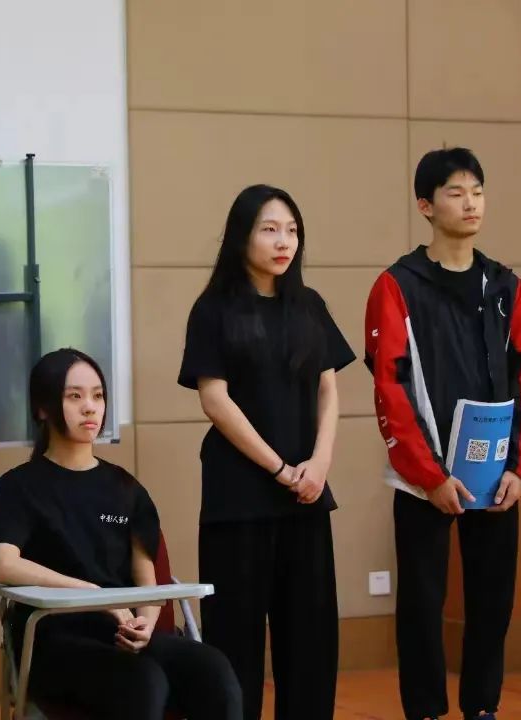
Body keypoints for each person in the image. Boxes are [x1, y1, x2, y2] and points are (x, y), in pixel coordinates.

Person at [364, 147, 521, 720]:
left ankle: (482, 707)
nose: (471, 203)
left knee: (492, 601)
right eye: (455, 192)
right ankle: (425, 709)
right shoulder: (397, 286)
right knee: (422, 603)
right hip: (425, 478)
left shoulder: (506, 286)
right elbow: (391, 386)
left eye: (478, 191)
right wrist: (430, 475)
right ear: (425, 205)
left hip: (496, 474)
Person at [0, 348, 243, 720]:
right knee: (143, 681)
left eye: (98, 395)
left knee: (213, 671)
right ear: (42, 408)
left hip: (121, 635)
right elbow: (4, 564)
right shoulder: (18, 487)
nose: (90, 407)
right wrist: (93, 594)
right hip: (54, 644)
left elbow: (147, 582)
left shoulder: (125, 488)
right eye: (75, 396)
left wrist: (144, 625)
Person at [177, 184, 356, 719]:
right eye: (270, 229)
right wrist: (279, 468)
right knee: (235, 639)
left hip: (306, 494)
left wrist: (319, 463)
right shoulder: (214, 309)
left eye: (292, 231)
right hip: (239, 497)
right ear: (242, 236)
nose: (284, 242)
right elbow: (215, 399)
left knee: (311, 638)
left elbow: (328, 390)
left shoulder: (309, 305)